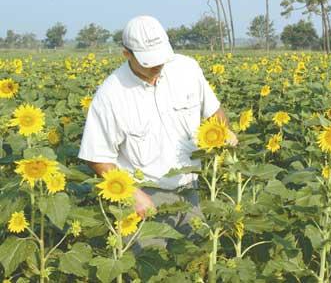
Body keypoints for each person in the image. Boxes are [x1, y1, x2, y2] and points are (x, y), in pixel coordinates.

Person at [78, 15, 237, 242]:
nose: (156, 66)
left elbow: (214, 112)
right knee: (149, 266)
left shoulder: (187, 69)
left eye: (160, 59)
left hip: (190, 188)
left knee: (194, 259)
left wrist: (225, 132)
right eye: (147, 62)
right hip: (145, 193)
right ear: (126, 54)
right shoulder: (111, 94)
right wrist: (133, 194)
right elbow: (97, 155)